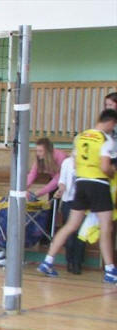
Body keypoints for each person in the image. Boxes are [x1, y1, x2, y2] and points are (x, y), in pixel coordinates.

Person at [38, 109, 117, 283]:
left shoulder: (81, 137)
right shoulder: (106, 139)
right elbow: (105, 167)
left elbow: (74, 162)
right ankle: (110, 270)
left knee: (70, 225)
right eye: (114, 125)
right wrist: (112, 174)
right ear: (110, 122)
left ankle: (47, 261)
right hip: (99, 184)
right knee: (106, 226)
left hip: (80, 184)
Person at [54, 154, 85, 274]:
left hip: (82, 202)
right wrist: (61, 189)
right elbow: (62, 181)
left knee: (81, 234)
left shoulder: (86, 164)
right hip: (68, 201)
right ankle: (70, 261)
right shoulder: (67, 162)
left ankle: (78, 262)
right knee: (69, 234)